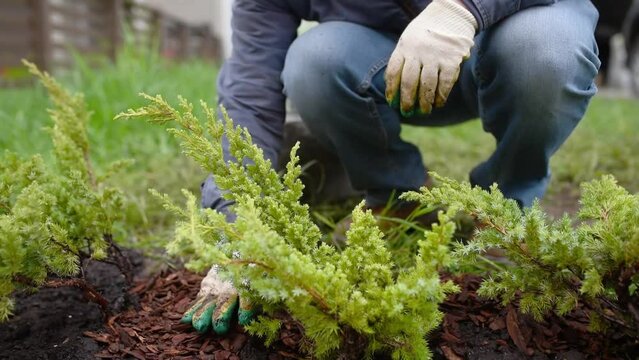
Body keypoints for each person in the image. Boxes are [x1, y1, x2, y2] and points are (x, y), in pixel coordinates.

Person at [180, 0, 601, 334]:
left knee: (548, 49)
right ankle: (398, 198)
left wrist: (463, 8)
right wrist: (237, 228)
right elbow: (251, 95)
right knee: (313, 60)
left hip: (508, 40)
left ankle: (505, 208)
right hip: (392, 66)